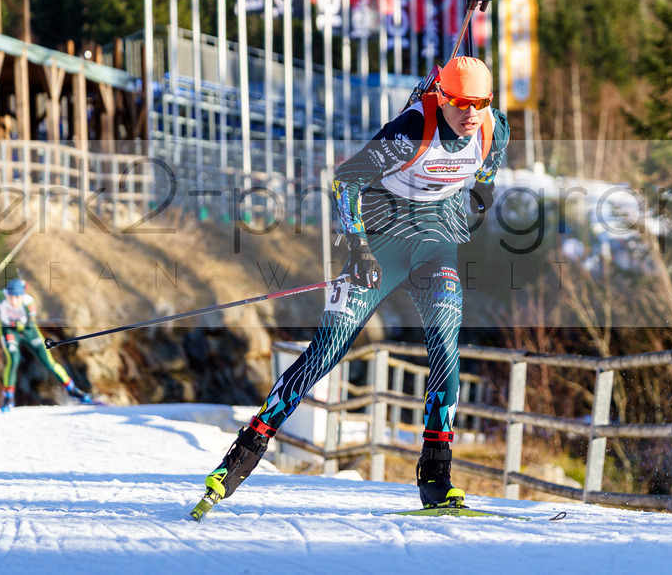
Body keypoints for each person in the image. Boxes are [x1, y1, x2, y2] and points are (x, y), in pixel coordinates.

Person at [200, 56, 509, 509]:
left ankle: (436, 476)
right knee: (328, 349)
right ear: (442, 97)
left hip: (434, 242)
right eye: (461, 103)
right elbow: (345, 181)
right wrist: (359, 248)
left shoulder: (494, 128)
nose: (471, 113)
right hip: (381, 238)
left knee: (446, 345)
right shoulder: (409, 131)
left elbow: (486, 173)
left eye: (480, 103)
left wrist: (482, 190)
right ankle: (242, 455)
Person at [0, 278, 92, 411]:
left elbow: (30, 321)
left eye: (16, 297)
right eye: (10, 297)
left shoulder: (28, 302)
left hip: (29, 331)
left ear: (21, 295)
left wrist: (21, 324)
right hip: (9, 331)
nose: (13, 301)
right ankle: (8, 398)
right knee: (13, 360)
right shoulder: (2, 296)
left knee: (48, 362)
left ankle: (73, 390)